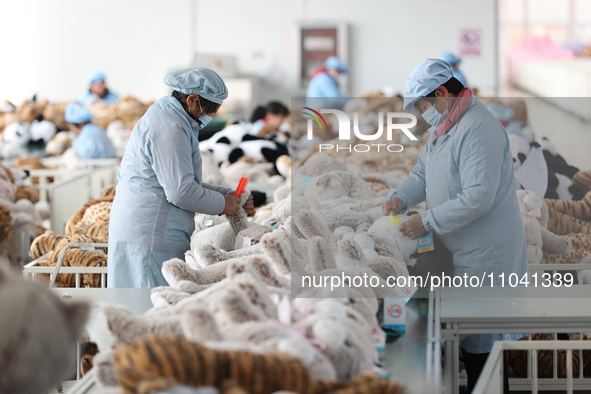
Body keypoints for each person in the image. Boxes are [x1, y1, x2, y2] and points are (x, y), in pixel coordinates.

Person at [381, 59, 527, 393]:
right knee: (469, 342)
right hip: (459, 248)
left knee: (484, 352)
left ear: (443, 93)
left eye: (423, 105)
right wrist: (400, 198)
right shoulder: (444, 126)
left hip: (485, 254)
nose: (423, 114)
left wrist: (427, 221)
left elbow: (479, 196)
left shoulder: (479, 127)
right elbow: (422, 173)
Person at [107, 68, 254, 288]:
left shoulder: (175, 118)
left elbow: (186, 183)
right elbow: (181, 192)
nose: (209, 117)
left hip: (153, 228)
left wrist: (229, 196)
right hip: (150, 234)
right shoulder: (170, 127)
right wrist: (225, 204)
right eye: (209, 110)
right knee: (152, 308)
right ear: (193, 99)